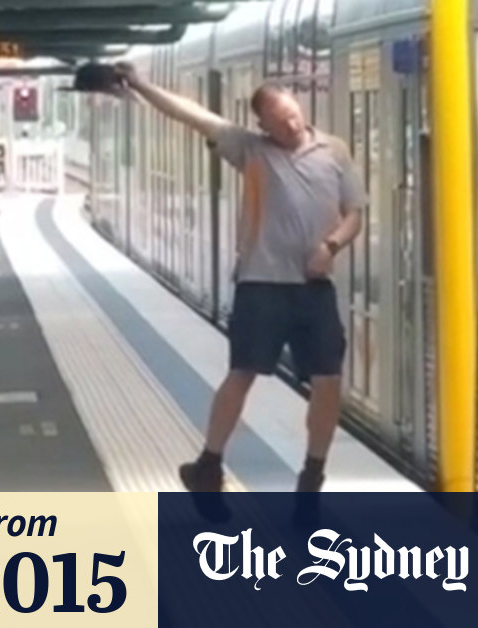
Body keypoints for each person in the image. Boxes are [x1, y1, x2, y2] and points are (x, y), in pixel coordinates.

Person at [111, 62, 365, 493]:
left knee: (328, 381)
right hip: (261, 285)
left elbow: (355, 214)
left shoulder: (335, 152)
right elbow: (190, 115)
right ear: (262, 125)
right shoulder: (250, 149)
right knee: (242, 373)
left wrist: (332, 246)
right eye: (280, 120)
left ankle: (313, 473)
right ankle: (209, 464)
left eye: (294, 114)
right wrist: (139, 83)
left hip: (314, 289)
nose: (292, 123)